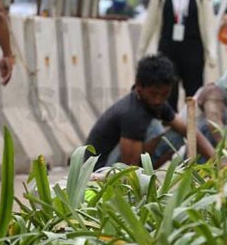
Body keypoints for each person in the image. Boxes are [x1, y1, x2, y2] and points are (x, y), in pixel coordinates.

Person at [85, 54, 215, 168]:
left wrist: (217, 161)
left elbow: (188, 129)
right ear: (139, 85)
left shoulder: (155, 103)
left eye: (164, 94)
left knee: (179, 134)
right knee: (155, 128)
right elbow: (129, 168)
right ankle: (145, 178)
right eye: (153, 94)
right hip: (101, 171)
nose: (158, 100)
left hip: (127, 161)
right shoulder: (132, 113)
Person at [138, 0, 217, 111]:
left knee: (194, 92)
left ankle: (192, 130)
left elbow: (209, 25)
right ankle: (170, 130)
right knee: (167, 91)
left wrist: (211, 51)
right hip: (168, 49)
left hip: (193, 49)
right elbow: (150, 23)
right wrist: (142, 50)